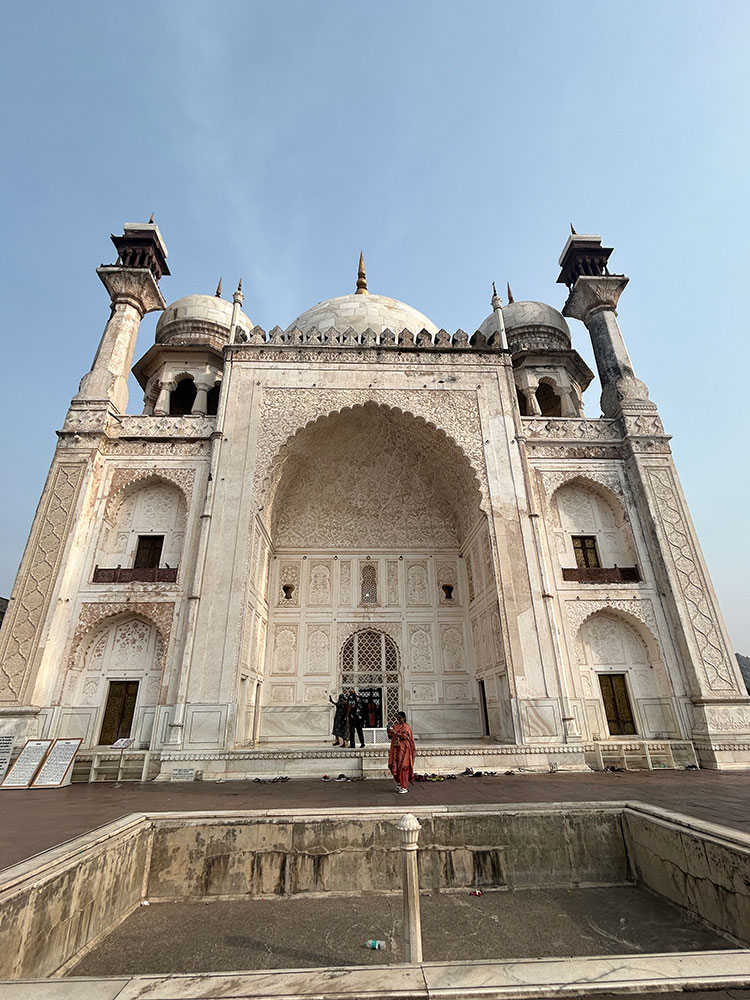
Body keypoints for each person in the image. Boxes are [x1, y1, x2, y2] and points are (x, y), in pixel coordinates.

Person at [387, 711, 415, 793]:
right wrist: (388, 731)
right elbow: (391, 736)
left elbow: (405, 736)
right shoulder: (396, 725)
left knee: (403, 767)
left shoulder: (406, 727)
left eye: (400, 718)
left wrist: (395, 733)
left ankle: (404, 786)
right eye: (397, 718)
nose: (398, 719)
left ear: (404, 718)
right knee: (394, 765)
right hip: (396, 749)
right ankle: (400, 783)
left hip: (404, 749)